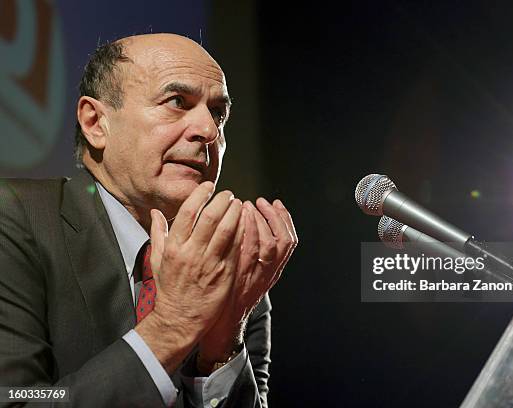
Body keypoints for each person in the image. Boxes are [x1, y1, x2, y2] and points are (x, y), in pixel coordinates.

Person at [0, 33, 297, 407]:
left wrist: (221, 347)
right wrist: (173, 326)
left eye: (218, 113)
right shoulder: (15, 219)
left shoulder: (228, 262)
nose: (209, 131)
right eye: (177, 102)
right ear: (95, 122)